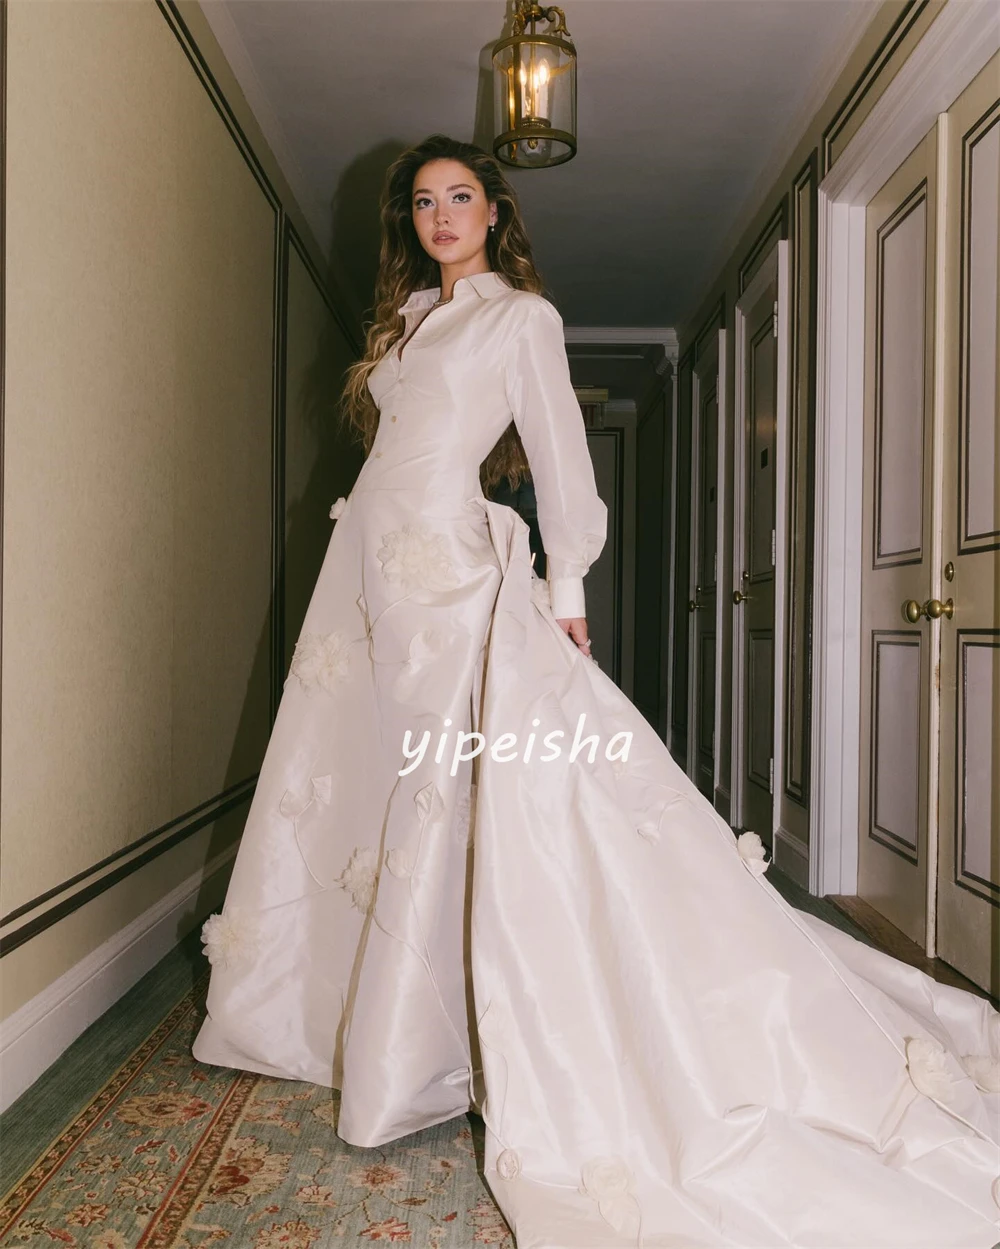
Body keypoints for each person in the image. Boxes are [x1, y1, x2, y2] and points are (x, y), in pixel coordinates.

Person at [192, 134, 1000, 1247]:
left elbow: (562, 460)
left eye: (460, 196)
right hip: (368, 583)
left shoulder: (520, 318)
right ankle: (363, 1014)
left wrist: (565, 590)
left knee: (468, 790)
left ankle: (448, 1039)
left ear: (494, 211)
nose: (440, 215)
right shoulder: (407, 323)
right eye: (422, 201)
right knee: (376, 788)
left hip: (452, 583)